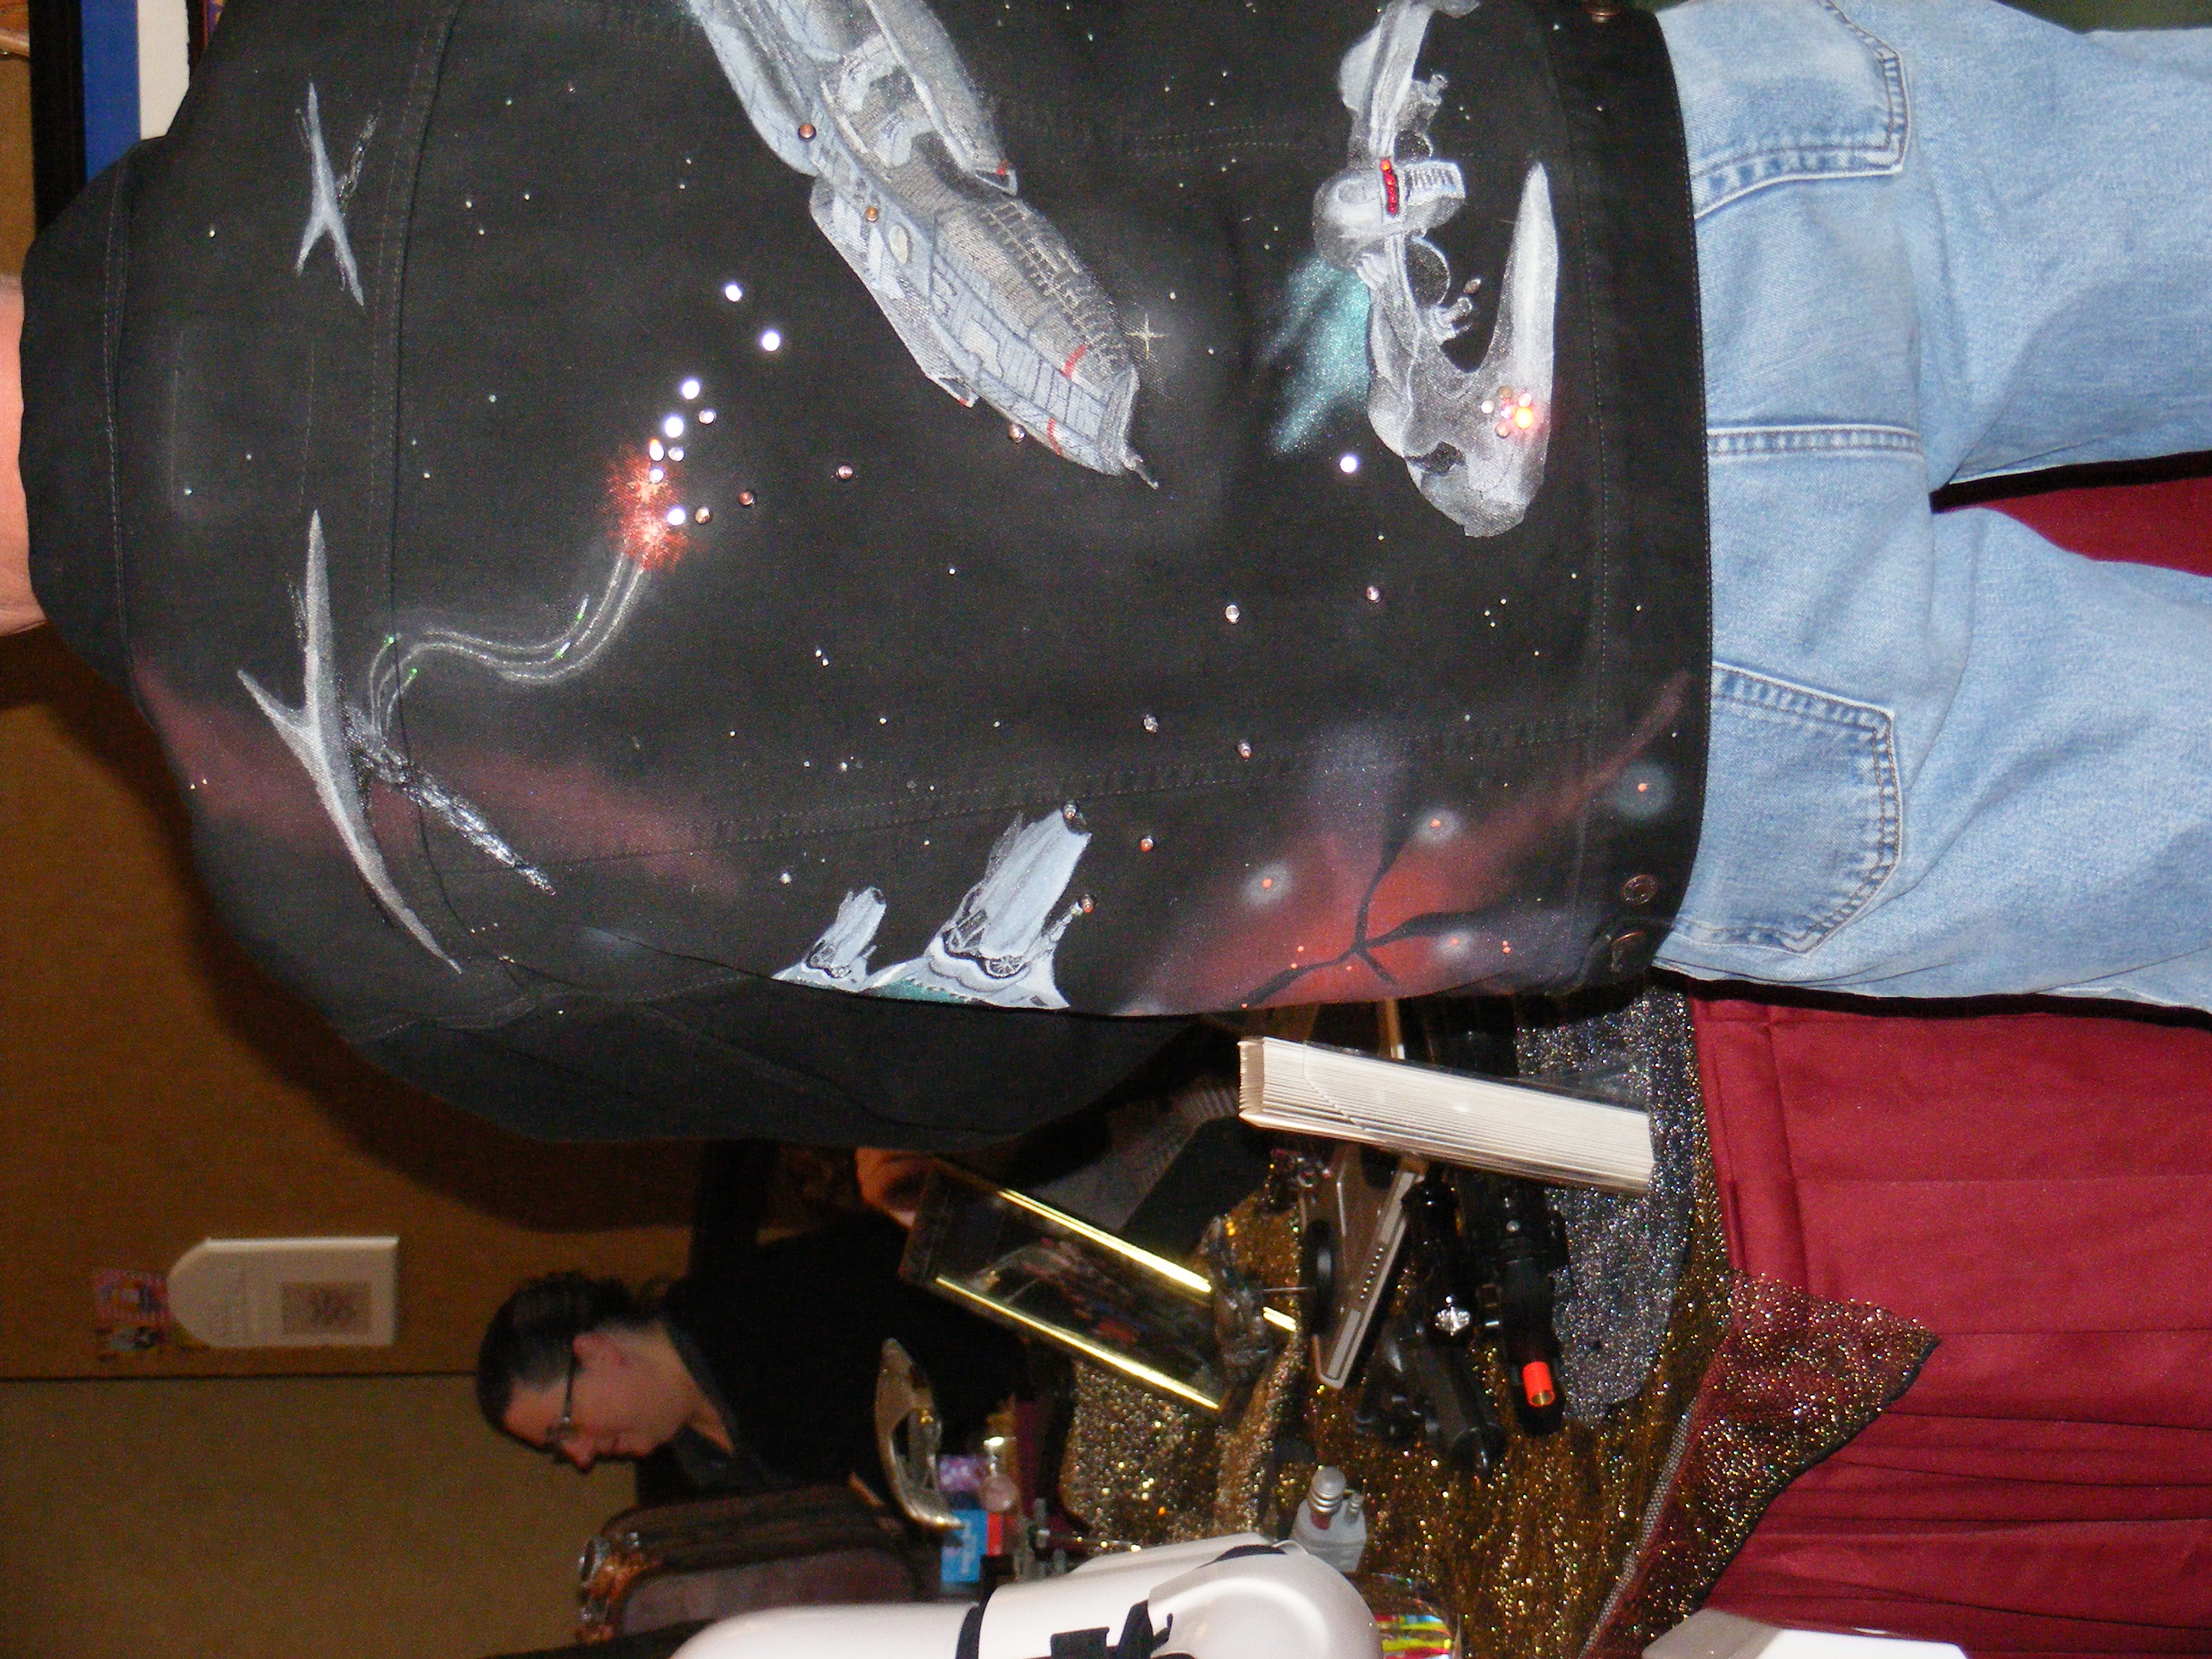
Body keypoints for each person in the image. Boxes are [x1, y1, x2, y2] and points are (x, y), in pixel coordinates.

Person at [6, 0, 2209, 1145]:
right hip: (1603, 159)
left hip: (1593, 747)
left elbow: (982, 1062)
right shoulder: (352, 29)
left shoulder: (345, 894)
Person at [477, 1212, 1030, 1491]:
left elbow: (964, 1360)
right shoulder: (689, 1476)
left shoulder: (760, 1305)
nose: (582, 1457)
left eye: (566, 1428)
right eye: (560, 1450)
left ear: (595, 1353)